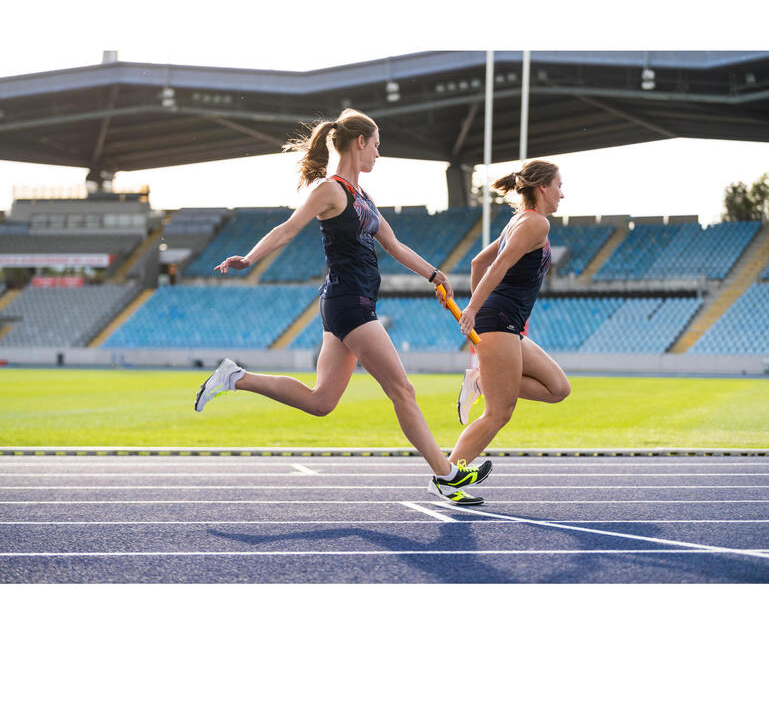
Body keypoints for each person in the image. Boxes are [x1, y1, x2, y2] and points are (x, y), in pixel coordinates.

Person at [194, 108, 491, 504]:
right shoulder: (329, 190)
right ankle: (446, 474)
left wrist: (435, 275)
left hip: (349, 303)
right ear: (360, 142)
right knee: (403, 390)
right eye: (377, 146)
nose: (379, 155)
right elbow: (287, 229)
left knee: (321, 402)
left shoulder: (363, 197)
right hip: (349, 303)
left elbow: (395, 245)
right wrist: (248, 258)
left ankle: (235, 378)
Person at [451, 160, 571, 472]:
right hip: (499, 322)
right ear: (543, 187)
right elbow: (498, 264)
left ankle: (482, 381)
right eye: (559, 186)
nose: (562, 194)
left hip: (506, 323)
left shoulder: (519, 220)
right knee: (499, 413)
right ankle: (448, 474)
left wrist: (483, 307)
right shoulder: (536, 224)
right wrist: (475, 310)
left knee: (558, 388)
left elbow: (478, 263)